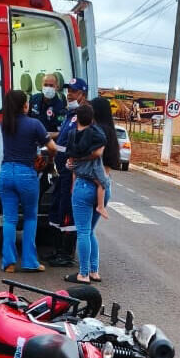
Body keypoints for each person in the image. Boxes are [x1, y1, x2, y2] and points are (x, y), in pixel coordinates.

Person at [64, 96, 120, 285]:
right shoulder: (110, 134)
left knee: (83, 232)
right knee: (90, 231)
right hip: (105, 185)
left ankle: (83, 273)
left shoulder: (91, 133)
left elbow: (79, 155)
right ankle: (94, 270)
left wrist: (75, 162)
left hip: (86, 184)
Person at [0, 90, 57, 273]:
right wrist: (49, 159)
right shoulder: (35, 124)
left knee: (9, 219)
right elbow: (52, 147)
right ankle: (30, 261)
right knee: (31, 217)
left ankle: (8, 262)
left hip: (6, 172)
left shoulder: (5, 124)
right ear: (24, 105)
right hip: (26, 174)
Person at [46, 77, 90, 268]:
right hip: (60, 171)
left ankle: (66, 253)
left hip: (71, 172)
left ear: (82, 94)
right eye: (68, 90)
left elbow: (80, 145)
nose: (69, 94)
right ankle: (57, 250)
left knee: (68, 212)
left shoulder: (83, 116)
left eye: (73, 91)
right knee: (57, 208)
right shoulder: (69, 114)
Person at [66, 104, 109, 220]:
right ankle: (100, 206)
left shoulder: (72, 134)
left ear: (77, 118)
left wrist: (73, 159)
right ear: (91, 119)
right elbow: (98, 151)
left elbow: (69, 153)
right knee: (102, 183)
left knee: (74, 173)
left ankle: (73, 188)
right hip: (90, 172)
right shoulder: (93, 133)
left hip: (76, 168)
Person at [27, 73, 66, 139]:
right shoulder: (34, 99)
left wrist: (45, 136)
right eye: (45, 85)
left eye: (51, 86)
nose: (48, 88)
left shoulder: (60, 106)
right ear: (42, 86)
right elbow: (27, 118)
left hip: (50, 142)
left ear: (57, 87)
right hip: (32, 139)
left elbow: (61, 132)